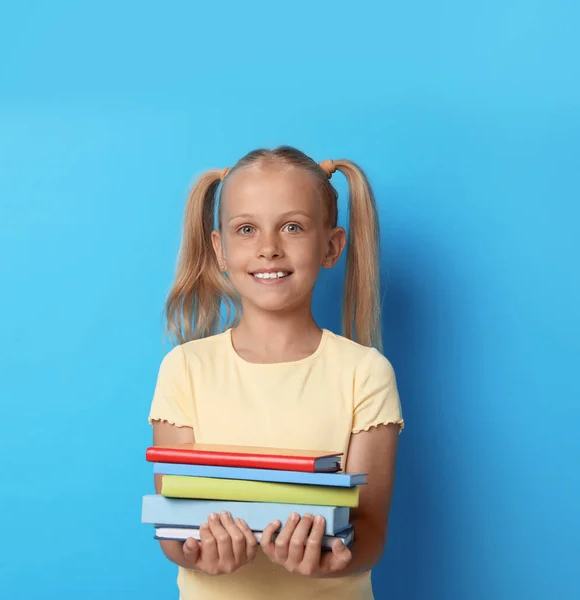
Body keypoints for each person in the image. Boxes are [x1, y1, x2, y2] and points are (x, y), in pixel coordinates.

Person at [148, 145, 404, 600]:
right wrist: (196, 553)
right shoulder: (184, 369)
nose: (268, 248)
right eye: (246, 229)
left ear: (331, 246)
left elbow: (370, 536)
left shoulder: (365, 373)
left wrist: (326, 562)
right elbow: (174, 524)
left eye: (292, 227)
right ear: (219, 249)